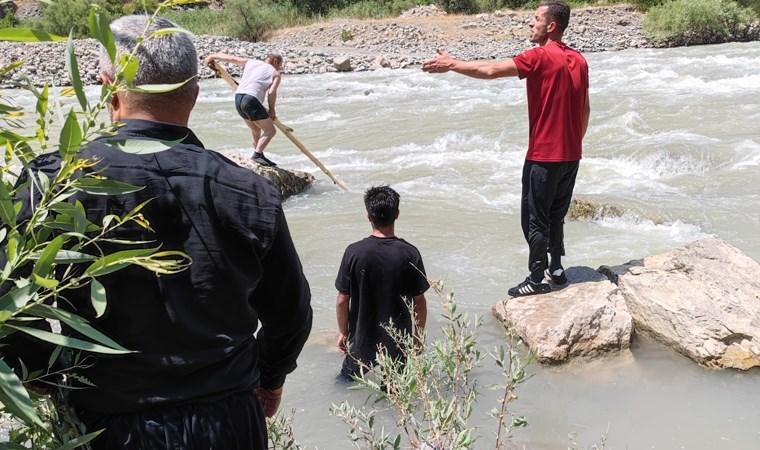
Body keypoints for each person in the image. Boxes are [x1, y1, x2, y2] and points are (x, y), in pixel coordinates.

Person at [2, 15, 312, 449]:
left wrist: (45, 377)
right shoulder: (249, 191)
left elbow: (10, 308)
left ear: (107, 86)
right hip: (228, 423)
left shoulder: (54, 183)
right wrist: (271, 378)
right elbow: (291, 313)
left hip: (107, 425)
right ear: (195, 94)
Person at [422, 0, 590, 297]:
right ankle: (558, 268)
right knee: (556, 215)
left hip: (544, 156)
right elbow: (586, 109)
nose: (530, 23)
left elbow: (490, 70)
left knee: (534, 219)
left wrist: (453, 65)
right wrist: (574, 144)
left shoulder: (538, 56)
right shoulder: (579, 60)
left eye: (536, 18)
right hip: (571, 156)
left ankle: (536, 278)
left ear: (551, 26)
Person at [335, 186, 429, 381]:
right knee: (397, 397)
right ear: (397, 214)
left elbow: (342, 301)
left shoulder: (353, 252)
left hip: (361, 341)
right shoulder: (410, 253)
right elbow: (419, 302)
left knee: (344, 383)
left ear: (369, 216)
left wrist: (343, 332)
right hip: (397, 344)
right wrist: (417, 338)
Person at [204, 51, 283, 167]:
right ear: (276, 62)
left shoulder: (251, 62)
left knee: (256, 130)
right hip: (251, 100)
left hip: (238, 98)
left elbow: (231, 58)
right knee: (270, 130)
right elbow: (271, 93)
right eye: (280, 65)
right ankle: (257, 155)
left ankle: (259, 156)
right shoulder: (275, 73)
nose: (279, 68)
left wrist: (212, 56)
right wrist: (272, 110)